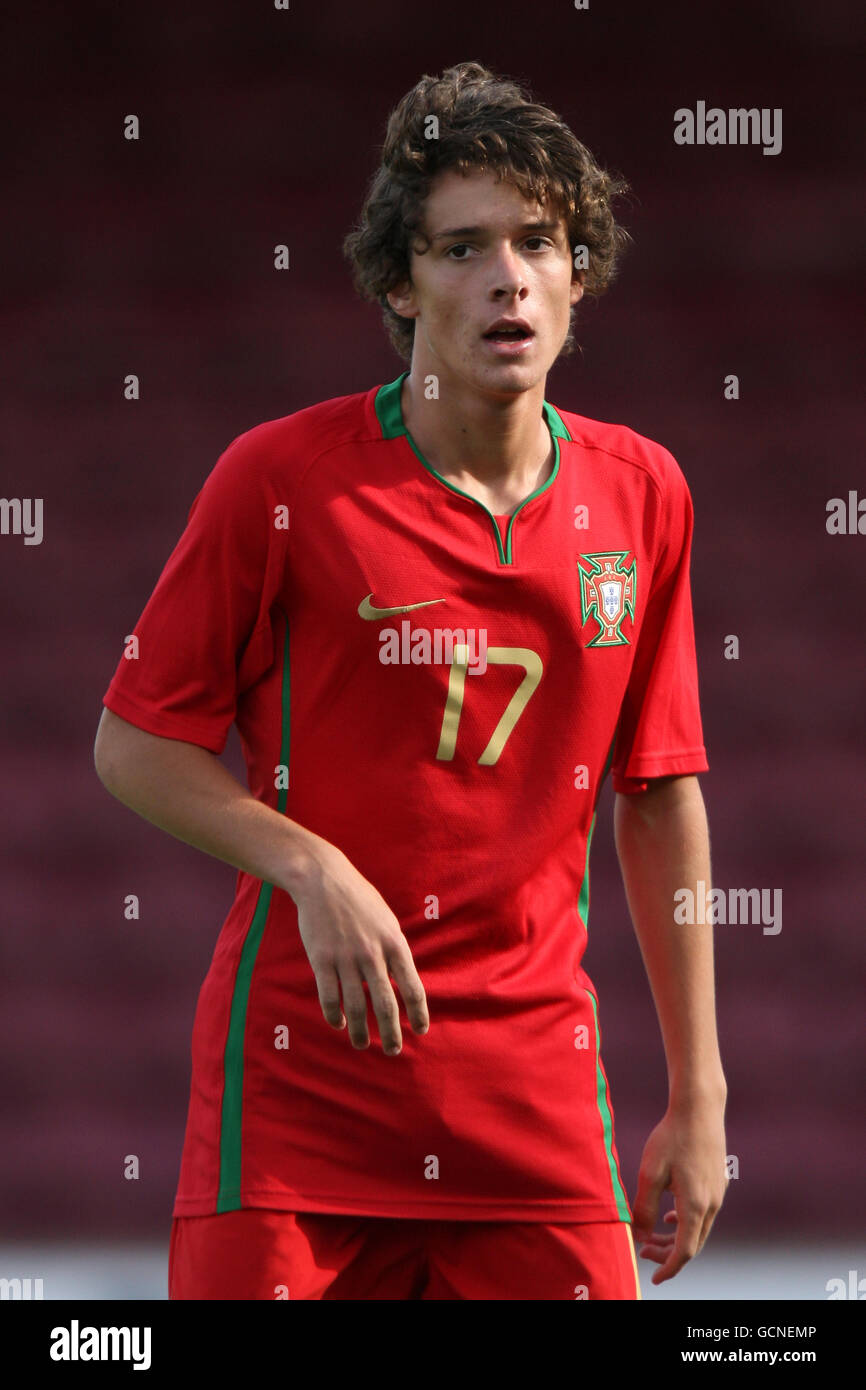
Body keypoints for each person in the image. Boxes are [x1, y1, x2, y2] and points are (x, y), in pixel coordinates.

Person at [94, 60, 727, 1300]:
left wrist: (696, 1094)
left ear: (576, 270)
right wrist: (306, 860)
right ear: (399, 279)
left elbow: (655, 791)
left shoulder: (642, 493)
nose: (506, 276)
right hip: (298, 1097)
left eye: (538, 242)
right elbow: (133, 742)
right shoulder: (280, 480)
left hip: (530, 1097)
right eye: (461, 248)